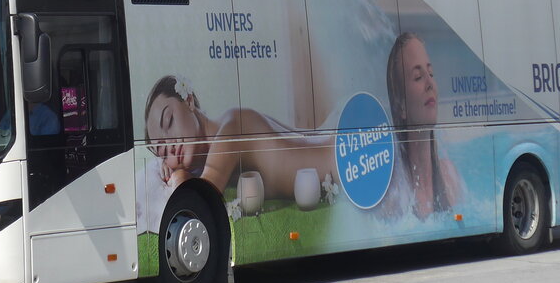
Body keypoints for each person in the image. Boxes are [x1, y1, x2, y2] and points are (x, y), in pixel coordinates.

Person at [143, 75, 336, 202]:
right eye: (163, 151)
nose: (171, 145)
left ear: (189, 101)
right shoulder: (229, 123)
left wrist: (177, 176)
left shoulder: (231, 129)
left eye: (168, 121)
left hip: (343, 160)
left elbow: (200, 199)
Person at [381, 32, 463, 220]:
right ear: (401, 106)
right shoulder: (394, 197)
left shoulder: (451, 177)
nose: (430, 84)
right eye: (418, 77)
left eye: (431, 73)